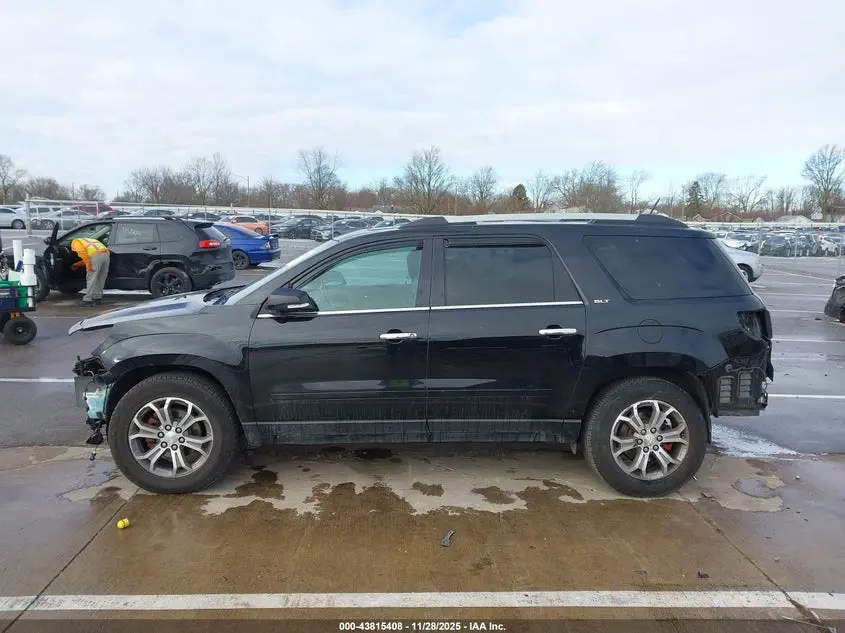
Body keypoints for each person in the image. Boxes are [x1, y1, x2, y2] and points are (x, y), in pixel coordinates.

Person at [70, 237, 110, 305]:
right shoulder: (90, 240)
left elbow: (83, 253)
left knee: (91, 278)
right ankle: (97, 298)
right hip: (106, 255)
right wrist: (77, 264)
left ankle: (87, 299)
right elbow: (91, 257)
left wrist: (88, 266)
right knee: (100, 278)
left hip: (96, 255)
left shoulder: (75, 242)